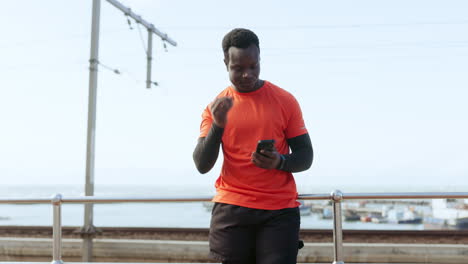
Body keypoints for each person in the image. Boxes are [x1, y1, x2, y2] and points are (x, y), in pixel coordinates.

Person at [193, 28, 313, 264]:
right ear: (225, 62)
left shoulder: (285, 100)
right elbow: (202, 164)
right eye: (238, 68)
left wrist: (280, 161)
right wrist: (218, 124)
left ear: (260, 60)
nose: (247, 74)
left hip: (279, 210)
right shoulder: (215, 108)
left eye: (253, 66)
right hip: (231, 207)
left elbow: (306, 156)